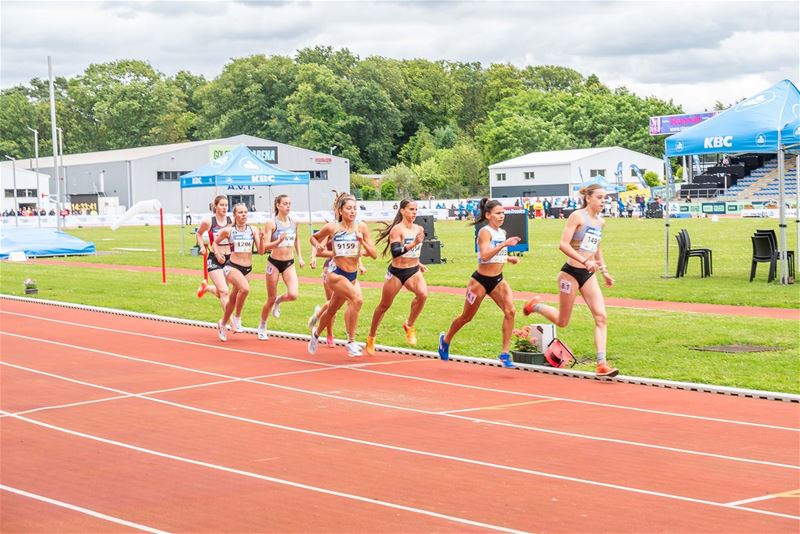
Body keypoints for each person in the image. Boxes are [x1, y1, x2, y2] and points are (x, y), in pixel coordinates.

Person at [523, 184, 619, 377]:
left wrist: (604, 271)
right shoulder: (577, 216)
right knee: (562, 321)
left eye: (605, 198)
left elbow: (596, 248)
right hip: (571, 273)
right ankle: (536, 307)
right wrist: (584, 260)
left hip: (589, 274)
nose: (603, 201)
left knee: (601, 317)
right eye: (599, 197)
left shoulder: (601, 222)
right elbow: (563, 245)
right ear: (588, 198)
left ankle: (601, 364)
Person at [438, 198, 521, 368]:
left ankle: (505, 353)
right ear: (488, 215)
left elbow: (496, 255)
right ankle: (445, 341)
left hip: (498, 280)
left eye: (503, 213)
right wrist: (505, 245)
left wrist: (508, 257)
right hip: (480, 281)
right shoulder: (485, 231)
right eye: (498, 213)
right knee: (466, 317)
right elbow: (483, 256)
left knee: (511, 311)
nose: (502, 216)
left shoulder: (501, 232)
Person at [308, 193, 377, 356]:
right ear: (340, 211)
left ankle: (316, 334)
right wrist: (318, 246)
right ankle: (351, 342)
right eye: (349, 208)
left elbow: (374, 254)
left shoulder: (362, 227)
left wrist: (362, 242)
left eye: (355, 208)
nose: (353, 211)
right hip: (335, 274)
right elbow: (313, 238)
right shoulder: (333, 227)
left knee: (331, 310)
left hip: (352, 276)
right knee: (357, 300)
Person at [365, 199, 428, 356]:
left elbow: (415, 251)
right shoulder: (397, 230)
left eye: (416, 209)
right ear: (402, 211)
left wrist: (418, 263)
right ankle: (371, 337)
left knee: (423, 295)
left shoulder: (419, 228)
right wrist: (414, 243)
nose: (414, 212)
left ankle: (409, 325)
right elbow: (396, 252)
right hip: (397, 272)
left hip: (413, 270)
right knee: (384, 306)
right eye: (411, 209)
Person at [257, 194, 305, 340]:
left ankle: (279, 301)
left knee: (293, 294)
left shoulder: (294, 222)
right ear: (278, 205)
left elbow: (297, 240)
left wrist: (300, 257)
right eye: (285, 204)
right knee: (270, 298)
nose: (288, 206)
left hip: (289, 263)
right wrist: (278, 241)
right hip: (274, 263)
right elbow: (264, 246)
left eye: (289, 204)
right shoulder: (271, 223)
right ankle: (262, 326)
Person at [212, 203, 262, 342]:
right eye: (240, 212)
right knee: (245, 289)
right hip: (232, 267)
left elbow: (261, 251)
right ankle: (237, 317)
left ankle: (222, 324)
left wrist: (262, 238)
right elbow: (215, 243)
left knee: (232, 301)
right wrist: (217, 253)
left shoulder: (252, 230)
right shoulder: (229, 231)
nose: (244, 215)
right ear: (234, 215)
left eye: (245, 212)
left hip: (248, 269)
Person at [195, 196, 232, 315]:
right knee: (224, 291)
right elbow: (199, 234)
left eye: (226, 205)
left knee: (220, 292)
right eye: (222, 205)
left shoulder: (231, 221)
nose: (225, 207)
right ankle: (230, 323)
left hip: (229, 259)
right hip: (214, 258)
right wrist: (201, 247)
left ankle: (206, 288)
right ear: (215, 206)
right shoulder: (208, 221)